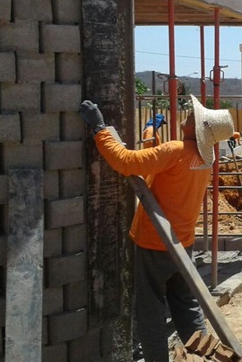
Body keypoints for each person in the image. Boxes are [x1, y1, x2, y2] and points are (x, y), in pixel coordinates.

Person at [79, 95, 234, 362]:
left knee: (150, 308)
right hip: (182, 243)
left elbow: (126, 162)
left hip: (155, 241)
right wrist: (150, 134)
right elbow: (160, 163)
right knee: (186, 304)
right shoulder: (203, 159)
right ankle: (204, 357)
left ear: (198, 128)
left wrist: (100, 129)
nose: (189, 115)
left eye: (193, 116)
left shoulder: (175, 151)